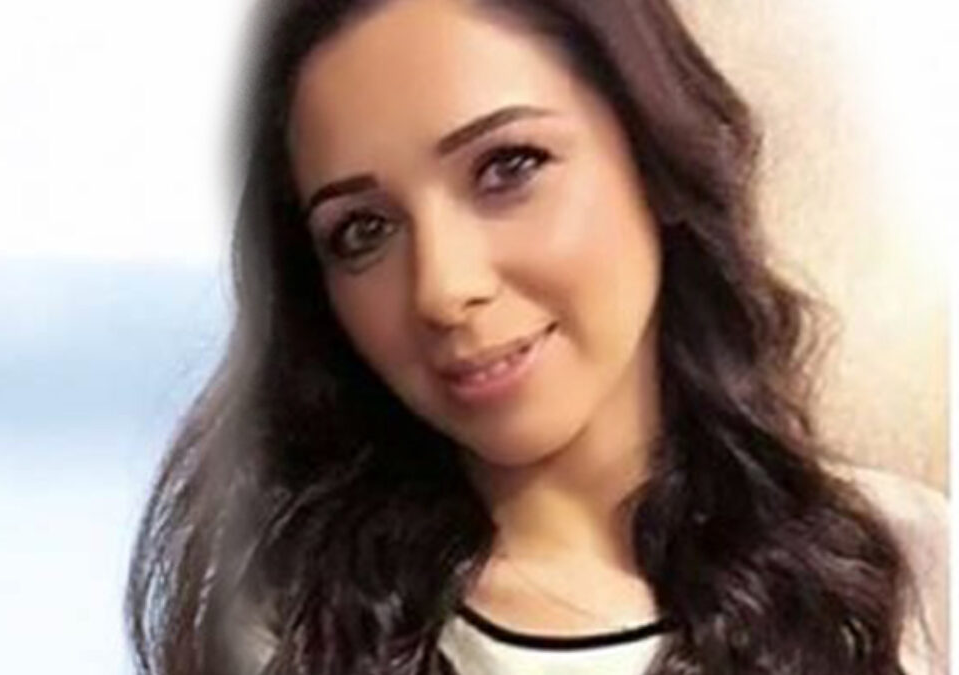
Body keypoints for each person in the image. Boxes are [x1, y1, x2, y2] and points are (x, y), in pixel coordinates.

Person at [127, 0, 948, 673]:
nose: (444, 287)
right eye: (363, 230)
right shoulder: (292, 634)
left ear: (651, 152)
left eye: (508, 166)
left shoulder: (908, 570)